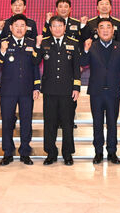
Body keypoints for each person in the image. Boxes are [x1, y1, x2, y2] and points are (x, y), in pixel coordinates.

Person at [81, 18, 120, 164]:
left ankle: (112, 152)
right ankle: (98, 152)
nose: (105, 30)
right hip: (96, 91)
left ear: (113, 30)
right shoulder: (92, 46)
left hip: (113, 91)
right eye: (102, 27)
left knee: (112, 123)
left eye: (108, 27)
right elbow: (83, 63)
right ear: (97, 31)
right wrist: (85, 50)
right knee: (97, 123)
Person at [0, 14, 42, 166]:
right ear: (11, 28)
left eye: (23, 26)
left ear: (26, 28)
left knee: (26, 122)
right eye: (17, 25)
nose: (20, 28)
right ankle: (8, 153)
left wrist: (36, 87)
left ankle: (25, 152)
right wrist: (2, 51)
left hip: (26, 90)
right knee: (7, 122)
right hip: (8, 90)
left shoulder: (31, 43)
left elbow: (35, 65)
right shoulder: (4, 42)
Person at [39, 16, 81, 166]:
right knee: (49, 123)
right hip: (49, 90)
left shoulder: (73, 43)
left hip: (67, 90)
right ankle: (51, 153)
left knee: (67, 123)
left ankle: (67, 153)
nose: (57, 28)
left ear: (65, 27)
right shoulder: (44, 43)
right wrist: (37, 46)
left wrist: (76, 87)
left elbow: (76, 68)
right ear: (50, 28)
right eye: (54, 26)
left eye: (60, 25)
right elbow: (35, 62)